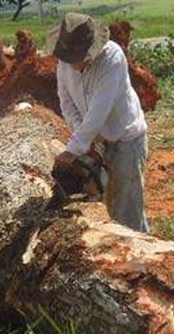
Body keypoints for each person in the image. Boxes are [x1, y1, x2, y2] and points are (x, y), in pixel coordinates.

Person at [47, 13, 149, 233]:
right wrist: (84, 139)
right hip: (96, 138)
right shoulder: (64, 63)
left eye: (77, 57)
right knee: (105, 203)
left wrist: (73, 150)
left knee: (127, 210)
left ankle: (140, 259)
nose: (73, 63)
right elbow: (66, 103)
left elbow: (99, 111)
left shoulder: (112, 58)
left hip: (125, 139)